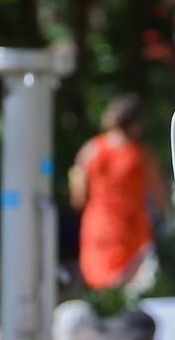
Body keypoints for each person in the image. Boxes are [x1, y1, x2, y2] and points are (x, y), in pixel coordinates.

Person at [70, 93, 169, 290]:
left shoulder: (91, 150)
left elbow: (78, 198)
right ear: (136, 122)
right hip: (131, 229)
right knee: (129, 290)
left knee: (100, 286)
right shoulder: (140, 155)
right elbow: (160, 196)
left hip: (98, 225)